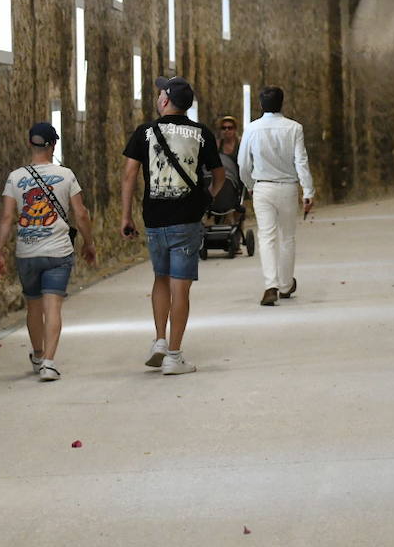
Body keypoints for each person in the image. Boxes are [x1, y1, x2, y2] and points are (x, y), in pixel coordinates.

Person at [120, 76, 224, 375]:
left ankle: (160, 341)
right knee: (182, 288)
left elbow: (129, 176)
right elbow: (219, 176)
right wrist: (207, 200)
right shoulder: (201, 134)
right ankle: (174, 356)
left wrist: (126, 216)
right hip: (187, 219)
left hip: (155, 218)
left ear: (165, 100)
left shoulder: (145, 132)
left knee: (160, 278)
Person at [0, 121, 96, 382]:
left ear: (30, 144)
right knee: (54, 306)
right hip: (58, 252)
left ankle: (37, 354)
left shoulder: (15, 177)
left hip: (27, 252)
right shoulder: (67, 175)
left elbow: (6, 218)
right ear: (53, 145)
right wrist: (89, 242)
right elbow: (80, 214)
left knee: (33, 306)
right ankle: (49, 362)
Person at [238, 86, 315, 306]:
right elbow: (301, 161)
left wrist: (250, 184)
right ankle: (285, 284)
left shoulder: (251, 129)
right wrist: (308, 190)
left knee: (267, 236)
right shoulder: (294, 128)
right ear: (282, 103)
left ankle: (270, 284)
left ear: (261, 105)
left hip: (262, 187)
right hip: (288, 187)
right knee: (287, 237)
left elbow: (243, 164)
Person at [217, 115, 241, 188]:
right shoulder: (217, 145)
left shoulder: (240, 144)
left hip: (236, 180)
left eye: (230, 128)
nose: (226, 130)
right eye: (224, 128)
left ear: (235, 130)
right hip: (220, 179)